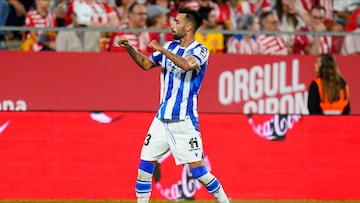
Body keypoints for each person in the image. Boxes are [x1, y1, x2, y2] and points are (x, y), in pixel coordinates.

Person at [117, 7, 230, 203]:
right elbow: (145, 64)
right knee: (144, 167)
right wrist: (129, 48)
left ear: (188, 27)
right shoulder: (170, 46)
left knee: (200, 173)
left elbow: (187, 65)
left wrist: (161, 49)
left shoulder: (201, 50)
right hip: (161, 119)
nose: (172, 25)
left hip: (184, 120)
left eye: (176, 22)